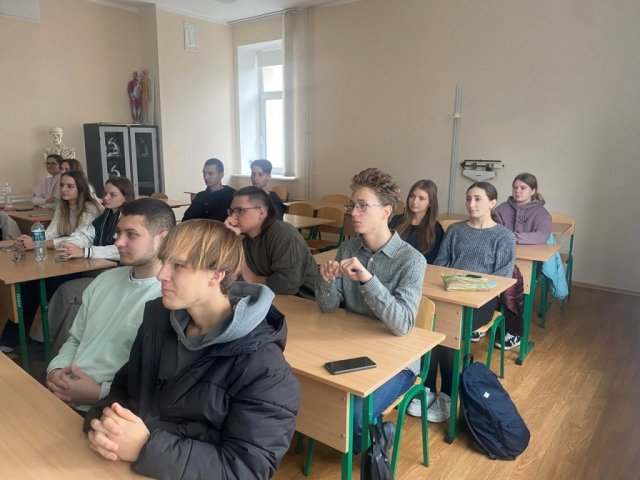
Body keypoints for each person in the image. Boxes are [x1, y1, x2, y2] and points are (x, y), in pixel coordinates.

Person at [83, 219, 300, 479]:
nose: (161, 275)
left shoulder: (264, 367)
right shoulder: (159, 320)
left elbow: (247, 469)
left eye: (178, 265)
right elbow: (123, 389)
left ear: (216, 275)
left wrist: (145, 448)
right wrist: (105, 424)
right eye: (164, 262)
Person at [315, 168, 426, 452]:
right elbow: (328, 308)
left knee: (352, 416)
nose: (354, 213)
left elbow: (402, 324)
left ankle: (378, 435)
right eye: (352, 205)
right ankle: (367, 435)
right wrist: (326, 281)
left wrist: (368, 280)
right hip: (350, 348)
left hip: (398, 362)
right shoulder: (348, 248)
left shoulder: (411, 260)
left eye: (363, 206)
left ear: (386, 211)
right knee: (310, 395)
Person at [45, 198, 175, 411]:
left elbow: (159, 382)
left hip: (115, 409)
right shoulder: (105, 280)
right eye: (119, 232)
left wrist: (99, 393)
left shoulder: (169, 297)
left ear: (163, 238)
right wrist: (56, 370)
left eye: (131, 234)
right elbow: (76, 339)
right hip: (65, 392)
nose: (118, 242)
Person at [417, 182, 515, 423]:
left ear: (492, 203)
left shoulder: (504, 236)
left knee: (447, 331)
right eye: (468, 198)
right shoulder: (456, 230)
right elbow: (441, 264)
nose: (471, 204)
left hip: (481, 303)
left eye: (478, 199)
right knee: (430, 326)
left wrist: (470, 285)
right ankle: (426, 389)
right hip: (450, 294)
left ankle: (447, 395)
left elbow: (502, 278)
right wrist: (452, 282)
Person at [0, 172, 104, 353]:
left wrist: (37, 244)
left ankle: (40, 341)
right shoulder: (62, 207)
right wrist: (30, 241)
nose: (64, 189)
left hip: (85, 264)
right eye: (62, 185)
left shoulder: (91, 208)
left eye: (70, 186)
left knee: (43, 288)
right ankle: (13, 340)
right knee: (29, 287)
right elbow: (50, 233)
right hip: (65, 261)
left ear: (81, 189)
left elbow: (78, 240)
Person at [224, 186, 319, 298]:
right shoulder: (244, 239)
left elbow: (287, 285)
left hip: (307, 300)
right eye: (232, 211)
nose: (233, 216)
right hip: (273, 298)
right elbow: (235, 278)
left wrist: (253, 278)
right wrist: (230, 238)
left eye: (239, 210)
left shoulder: (282, 232)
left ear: (261, 212)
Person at [57, 177, 136, 262]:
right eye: (105, 193)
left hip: (122, 266)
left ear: (126, 198)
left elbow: (122, 249)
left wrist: (86, 252)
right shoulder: (105, 216)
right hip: (102, 263)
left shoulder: (129, 220)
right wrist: (70, 245)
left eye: (112, 195)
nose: (105, 198)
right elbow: (86, 235)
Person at [389, 179, 444, 264]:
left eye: (421, 198)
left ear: (430, 203)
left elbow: (432, 260)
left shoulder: (436, 229)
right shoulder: (396, 220)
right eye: (412, 196)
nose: (414, 201)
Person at [494, 173, 552, 245]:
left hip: (532, 251)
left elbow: (543, 235)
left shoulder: (542, 213)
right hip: (503, 249)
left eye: (523, 188)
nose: (517, 191)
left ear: (533, 191)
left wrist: (514, 238)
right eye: (515, 188)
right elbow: (492, 231)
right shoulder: (501, 209)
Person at [182, 158, 235, 222]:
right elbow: (186, 220)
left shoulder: (232, 196)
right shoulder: (200, 196)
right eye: (204, 173)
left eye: (210, 173)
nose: (206, 177)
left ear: (221, 175)